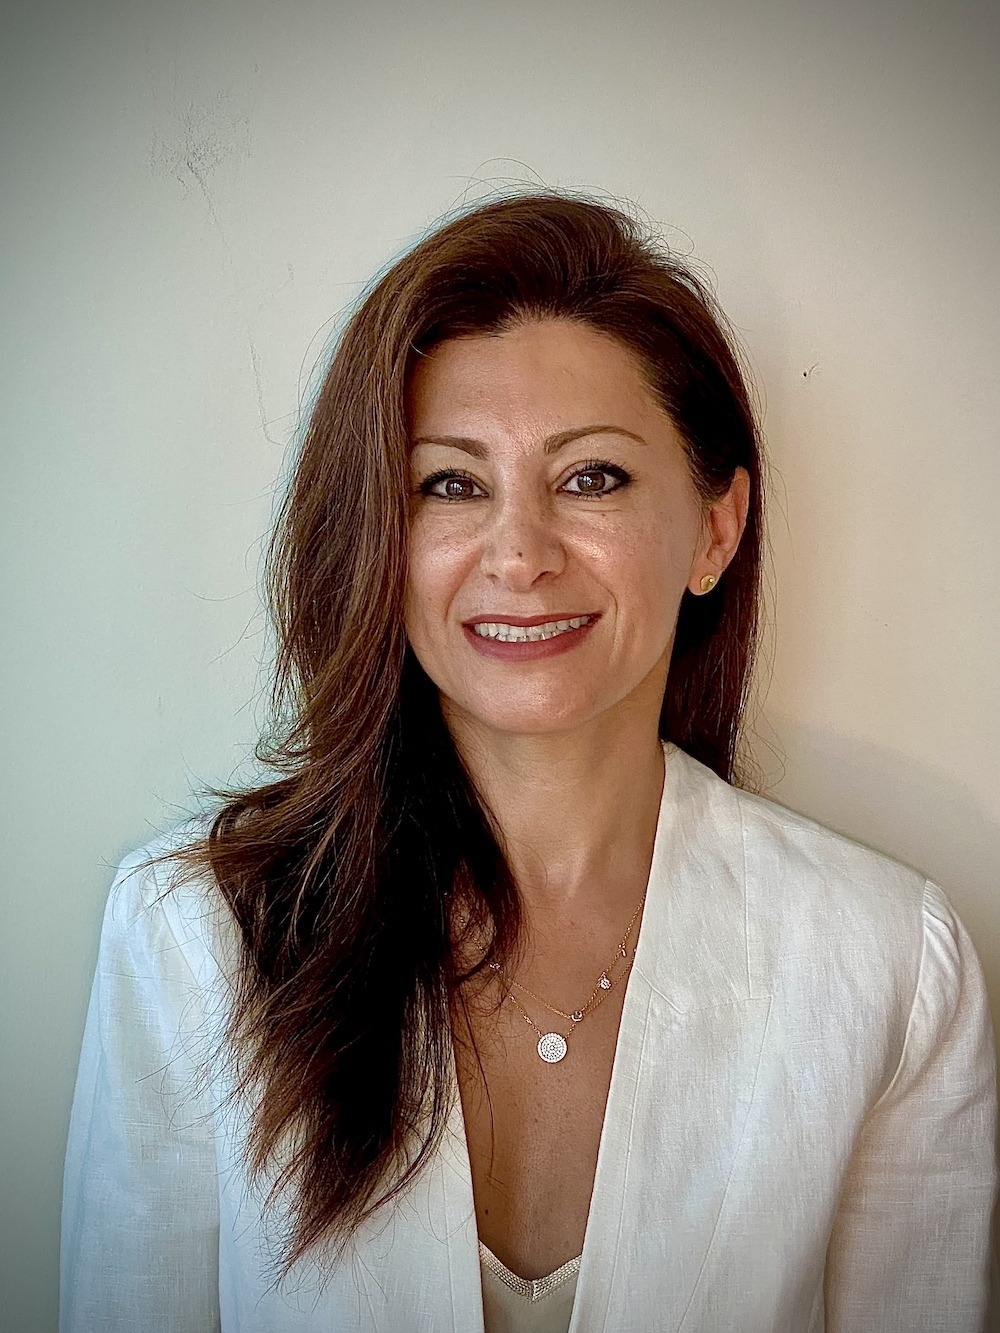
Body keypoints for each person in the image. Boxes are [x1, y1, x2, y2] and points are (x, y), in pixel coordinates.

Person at [60, 192, 998, 1333]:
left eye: (591, 476)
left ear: (715, 527)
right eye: (450, 483)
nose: (519, 553)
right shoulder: (199, 935)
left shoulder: (891, 965)